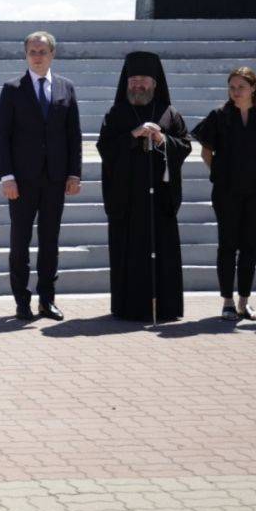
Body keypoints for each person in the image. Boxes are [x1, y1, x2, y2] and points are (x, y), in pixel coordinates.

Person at [0, 32, 82, 321]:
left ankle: (47, 299)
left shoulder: (65, 88)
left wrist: (74, 173)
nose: (37, 56)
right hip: (22, 180)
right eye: (32, 51)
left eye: (42, 51)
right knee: (20, 242)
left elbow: (74, 135)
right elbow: (2, 136)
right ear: (26, 55)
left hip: (55, 179)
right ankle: (22, 300)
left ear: (52, 54)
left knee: (50, 242)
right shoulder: (12, 89)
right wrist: (7, 176)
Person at [97, 52, 191, 322]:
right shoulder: (116, 114)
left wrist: (162, 139)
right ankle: (128, 308)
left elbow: (184, 146)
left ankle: (166, 308)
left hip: (160, 200)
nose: (138, 85)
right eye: (133, 80)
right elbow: (106, 149)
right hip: (127, 200)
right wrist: (133, 135)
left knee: (163, 254)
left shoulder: (169, 114)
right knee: (130, 255)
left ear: (155, 83)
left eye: (144, 80)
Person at [191, 68, 256, 321]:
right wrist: (223, 174)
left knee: (249, 246)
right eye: (232, 87)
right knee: (227, 245)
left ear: (253, 88)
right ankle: (227, 302)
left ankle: (244, 302)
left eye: (241, 87)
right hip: (226, 191)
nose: (236, 92)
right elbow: (206, 152)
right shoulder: (219, 116)